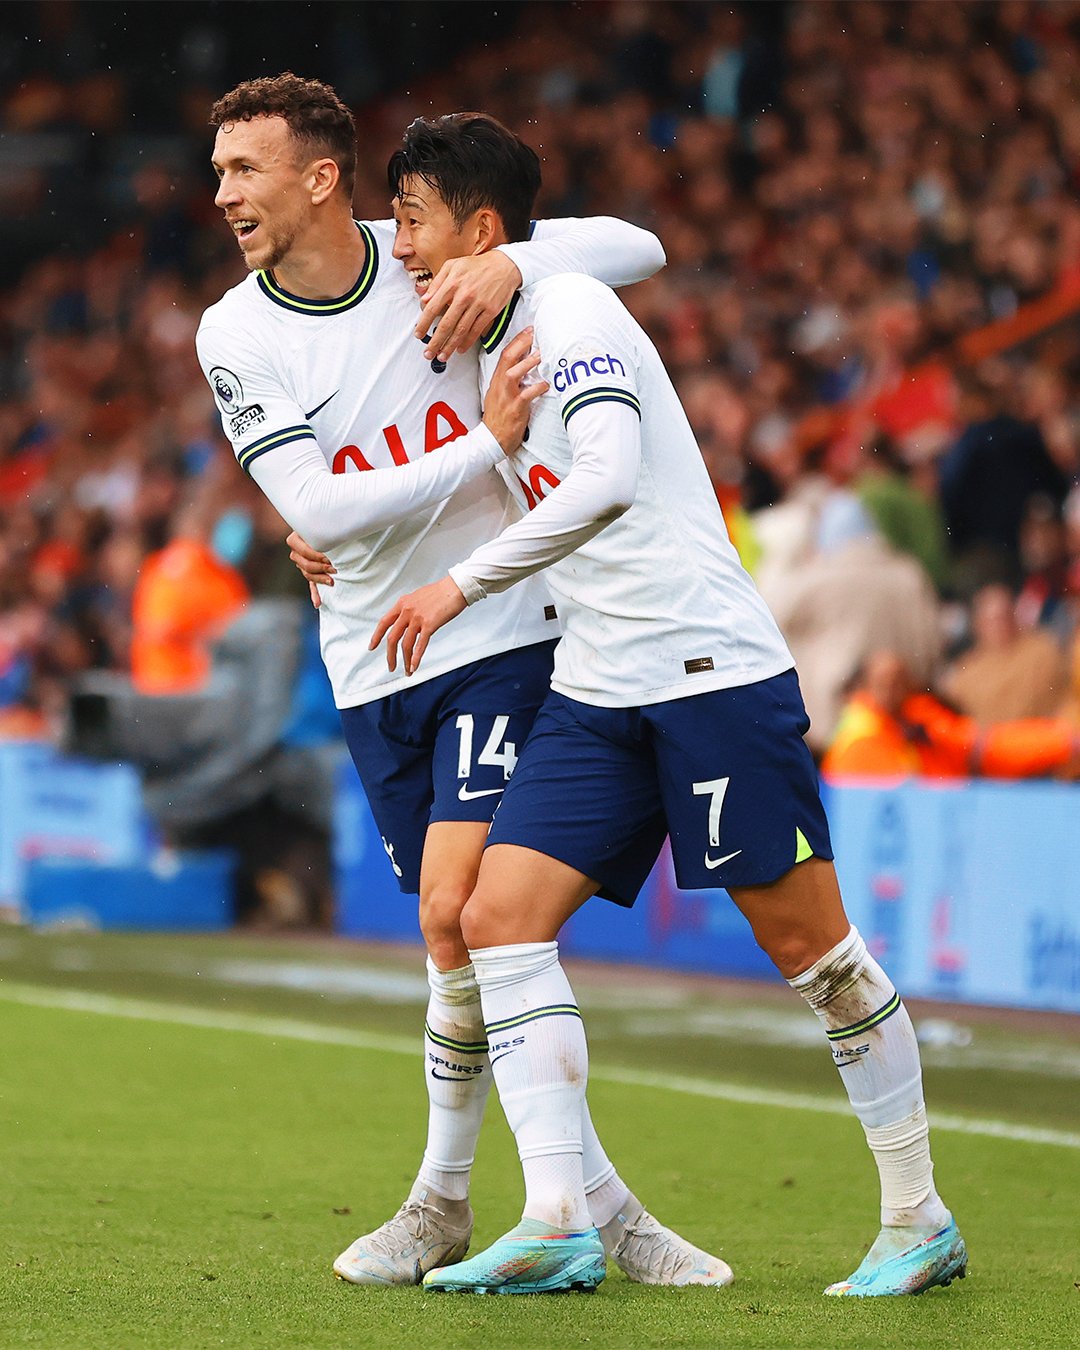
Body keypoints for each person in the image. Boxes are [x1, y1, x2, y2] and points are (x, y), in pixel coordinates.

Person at [368, 113, 969, 1297]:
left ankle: (919, 1216)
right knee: (498, 919)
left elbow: (604, 477)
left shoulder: (573, 311)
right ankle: (557, 1220)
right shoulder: (482, 342)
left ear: (482, 231)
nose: (400, 247)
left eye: (413, 221)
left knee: (814, 953)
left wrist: (455, 587)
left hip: (706, 674)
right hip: (598, 686)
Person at [196, 73, 729, 1289]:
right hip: (370, 656)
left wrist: (513, 265)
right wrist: (484, 441)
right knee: (451, 936)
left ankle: (456, 1201)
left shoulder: (424, 253)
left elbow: (640, 246)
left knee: (460, 909)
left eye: (243, 169)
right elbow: (320, 505)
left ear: (319, 177)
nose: (221, 192)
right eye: (219, 170)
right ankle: (597, 1208)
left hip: (498, 632)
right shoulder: (235, 332)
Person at [821, 648, 1080, 781]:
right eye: (884, 683)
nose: (892, 690)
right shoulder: (862, 737)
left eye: (899, 682)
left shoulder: (916, 714)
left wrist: (1063, 742)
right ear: (866, 686)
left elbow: (976, 745)